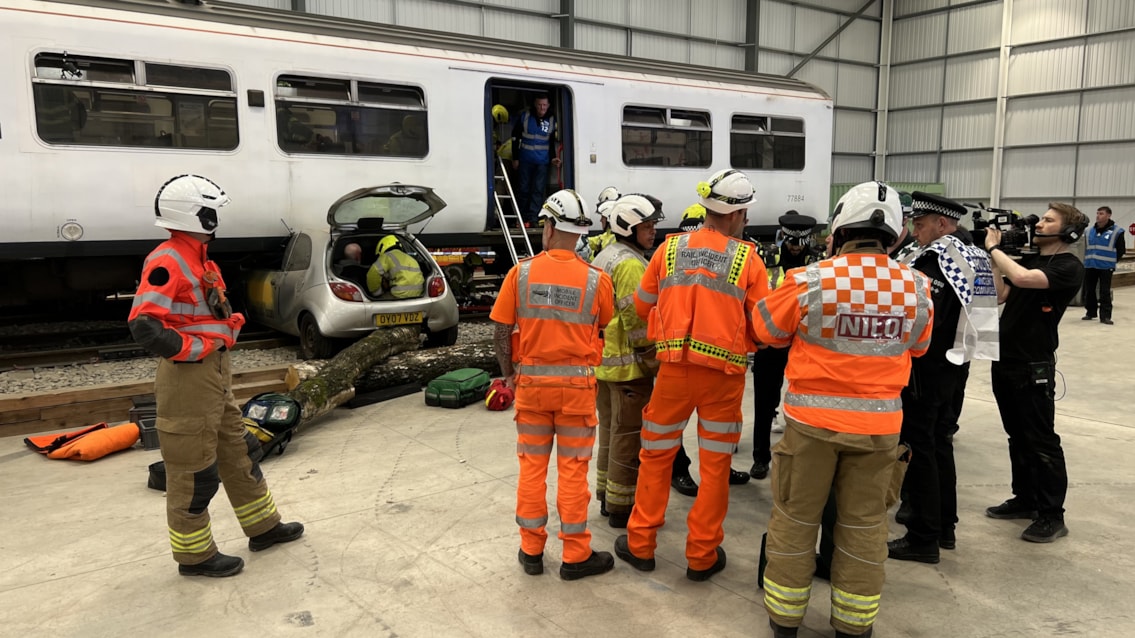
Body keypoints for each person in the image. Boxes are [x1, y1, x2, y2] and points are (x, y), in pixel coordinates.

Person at [755, 181, 933, 638]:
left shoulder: (808, 281)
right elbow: (919, 347)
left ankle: (785, 621)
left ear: (837, 230)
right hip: (879, 432)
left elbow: (766, 330)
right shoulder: (917, 287)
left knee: (796, 520)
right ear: (894, 235)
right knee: (865, 526)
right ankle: (854, 626)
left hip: (811, 427)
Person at [128, 175, 304, 578]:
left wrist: (212, 347)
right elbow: (144, 325)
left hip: (214, 374)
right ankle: (194, 557)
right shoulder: (168, 259)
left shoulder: (199, 259)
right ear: (197, 215)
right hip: (189, 378)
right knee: (193, 470)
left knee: (239, 454)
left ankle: (263, 528)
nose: (216, 219)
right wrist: (196, 352)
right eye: (212, 212)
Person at [613, 169, 768, 583]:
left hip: (673, 373)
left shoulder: (668, 249)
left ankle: (641, 544)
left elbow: (644, 306)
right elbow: (765, 327)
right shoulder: (748, 260)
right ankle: (701, 555)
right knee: (716, 466)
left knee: (656, 456)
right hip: (723, 378)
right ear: (737, 215)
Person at [489, 188, 616, 580]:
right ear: (578, 233)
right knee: (573, 471)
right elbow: (604, 326)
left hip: (531, 391)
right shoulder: (597, 281)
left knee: (531, 469)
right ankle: (575, 555)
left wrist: (509, 372)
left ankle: (531, 550)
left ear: (547, 227)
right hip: (577, 395)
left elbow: (499, 330)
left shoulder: (520, 273)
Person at [886, 193, 999, 564]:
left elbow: (924, 316)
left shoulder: (940, 259)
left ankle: (923, 537)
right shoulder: (973, 256)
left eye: (921, 224)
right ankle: (945, 526)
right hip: (956, 366)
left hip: (929, 369)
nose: (915, 231)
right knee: (939, 444)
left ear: (942, 224)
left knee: (921, 449)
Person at [984, 203, 1087, 543]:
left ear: (1068, 231)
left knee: (1041, 439)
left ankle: (1052, 515)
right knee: (1017, 435)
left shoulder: (1068, 266)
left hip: (1033, 365)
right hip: (1007, 359)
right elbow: (1002, 294)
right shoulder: (1029, 260)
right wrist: (993, 261)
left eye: (1048, 220)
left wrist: (996, 249)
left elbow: (1023, 279)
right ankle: (1025, 498)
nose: (1039, 224)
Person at [592, 194, 664, 529]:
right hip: (628, 371)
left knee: (609, 431)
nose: (652, 232)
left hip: (604, 366)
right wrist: (654, 363)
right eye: (646, 226)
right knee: (628, 437)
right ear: (628, 228)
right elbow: (638, 323)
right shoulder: (632, 265)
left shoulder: (605, 255)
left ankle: (606, 495)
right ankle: (621, 509)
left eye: (652, 225)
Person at [749, 212, 821, 480]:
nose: (795, 247)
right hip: (771, 343)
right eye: (791, 241)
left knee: (804, 400)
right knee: (764, 401)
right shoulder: (767, 260)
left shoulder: (818, 262)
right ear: (783, 236)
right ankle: (760, 457)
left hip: (804, 342)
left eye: (800, 242)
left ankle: (803, 455)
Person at [511, 94, 560, 226]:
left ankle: (533, 219)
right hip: (525, 160)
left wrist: (553, 158)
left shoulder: (552, 119)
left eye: (544, 105)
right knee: (523, 190)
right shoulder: (525, 116)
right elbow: (514, 137)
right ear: (535, 104)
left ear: (548, 105)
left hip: (542, 162)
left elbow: (550, 141)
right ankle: (521, 218)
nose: (542, 108)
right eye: (539, 105)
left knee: (538, 190)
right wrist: (515, 158)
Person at [1081, 205, 1125, 325]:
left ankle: (1105, 316)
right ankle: (1090, 312)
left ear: (1108, 215)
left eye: (1101, 213)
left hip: (1106, 266)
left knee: (1104, 291)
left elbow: (1121, 250)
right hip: (1090, 264)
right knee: (1089, 290)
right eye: (1097, 213)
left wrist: (1112, 261)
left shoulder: (1117, 231)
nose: (1098, 216)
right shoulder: (1089, 231)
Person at [366, 234, 424, 299]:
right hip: (418, 295)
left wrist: (377, 293)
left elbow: (373, 274)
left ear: (382, 248)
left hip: (398, 296)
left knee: (376, 303)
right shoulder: (411, 259)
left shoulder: (387, 256)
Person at [577, 186, 621, 262]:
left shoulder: (612, 241)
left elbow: (600, 261)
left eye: (602, 217)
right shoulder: (608, 235)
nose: (600, 220)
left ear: (608, 218)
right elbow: (596, 240)